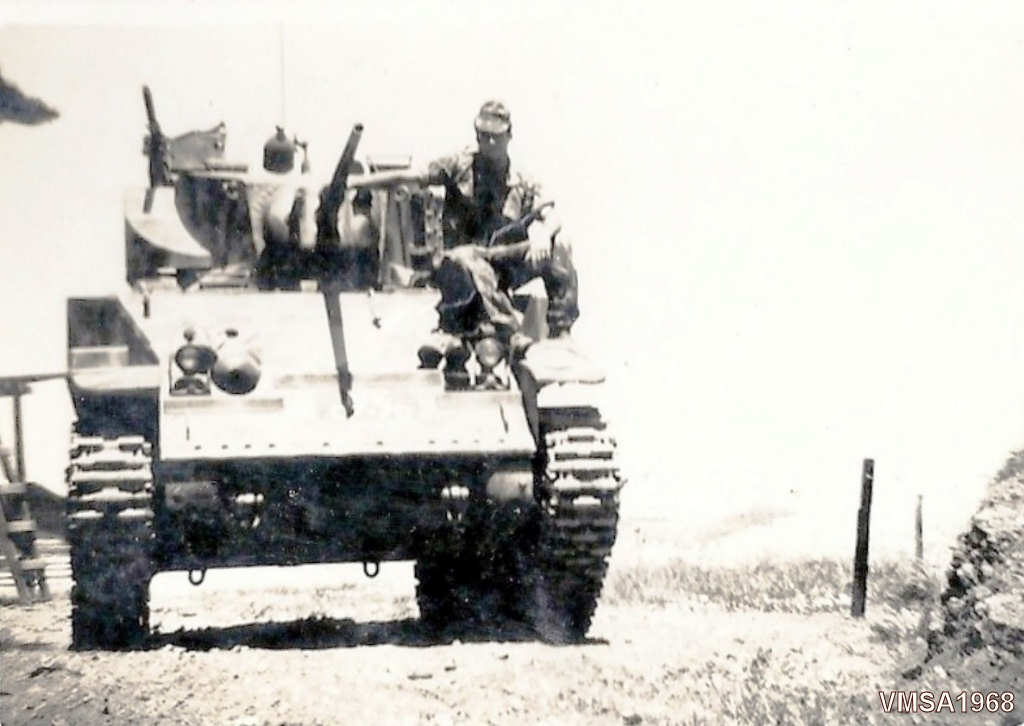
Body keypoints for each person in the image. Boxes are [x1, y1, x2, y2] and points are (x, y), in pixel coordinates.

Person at [348, 101, 579, 340]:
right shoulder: (459, 165)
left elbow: (551, 213)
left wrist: (544, 233)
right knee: (467, 258)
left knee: (560, 243)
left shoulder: (520, 179)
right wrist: (354, 182)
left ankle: (561, 332)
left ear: (509, 136)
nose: (489, 142)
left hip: (501, 263)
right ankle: (506, 331)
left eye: (496, 136)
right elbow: (409, 176)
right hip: (459, 264)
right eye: (484, 135)